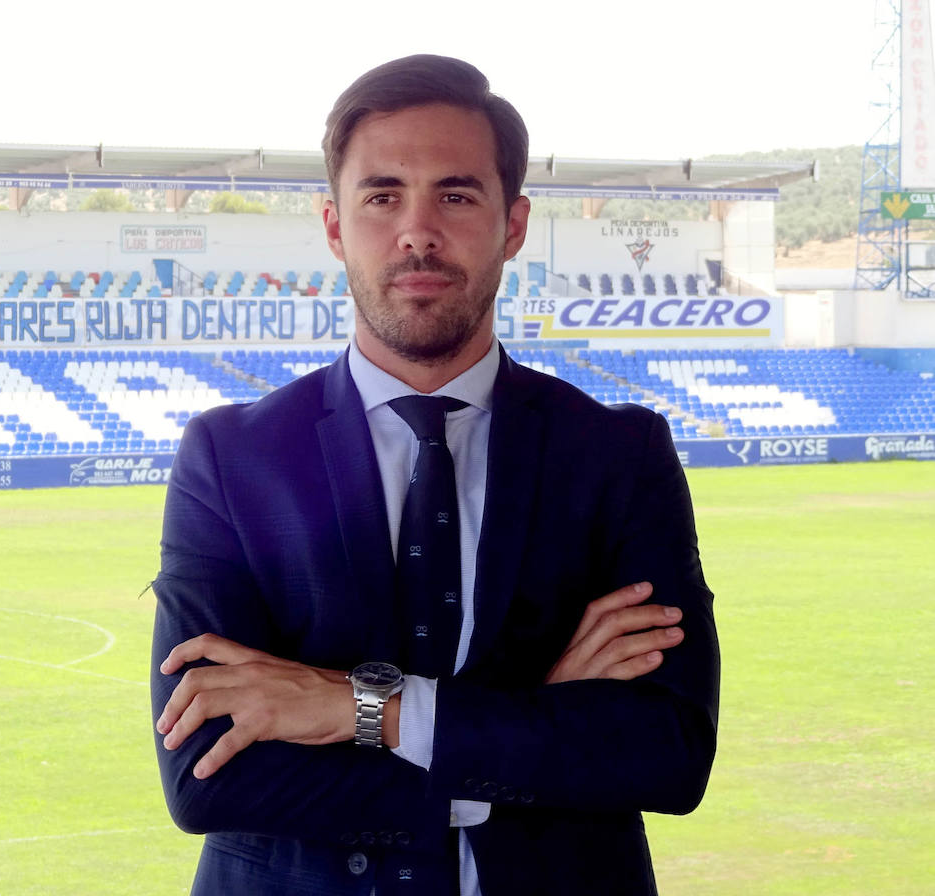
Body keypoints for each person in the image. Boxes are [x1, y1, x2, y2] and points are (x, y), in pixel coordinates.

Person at [150, 54, 720, 896]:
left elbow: (666, 754)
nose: (417, 230)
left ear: (513, 225)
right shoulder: (231, 458)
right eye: (382, 195)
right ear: (336, 226)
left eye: (456, 195)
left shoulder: (616, 455)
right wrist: (534, 723)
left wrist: (359, 710)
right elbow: (208, 773)